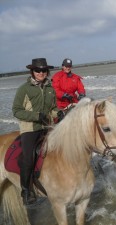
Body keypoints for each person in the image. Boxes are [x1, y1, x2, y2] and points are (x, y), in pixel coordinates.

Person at [12, 58, 62, 205]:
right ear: (32, 71)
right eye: (38, 70)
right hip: (30, 129)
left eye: (43, 70)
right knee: (28, 159)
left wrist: (58, 113)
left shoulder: (50, 88)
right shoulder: (24, 89)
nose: (41, 73)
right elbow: (16, 110)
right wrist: (35, 116)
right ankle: (26, 190)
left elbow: (52, 109)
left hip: (47, 127)